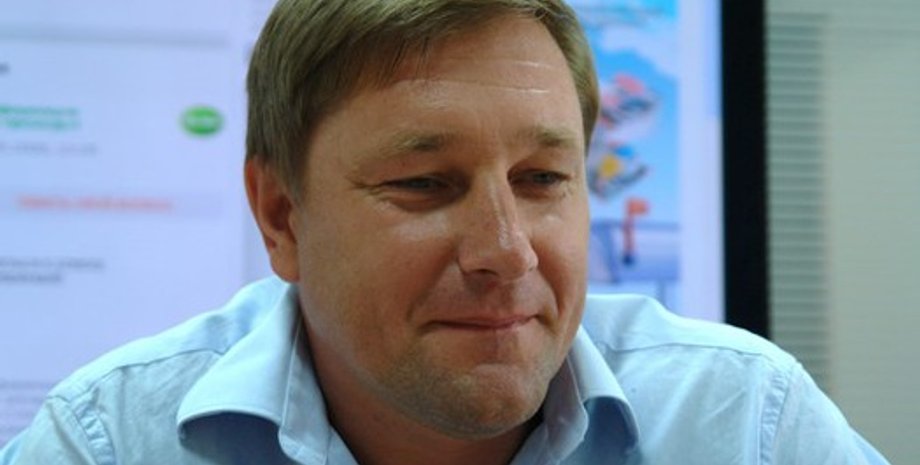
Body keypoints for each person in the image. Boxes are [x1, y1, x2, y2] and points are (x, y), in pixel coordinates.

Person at [0, 1, 891, 464]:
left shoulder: (742, 424)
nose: (507, 250)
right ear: (280, 216)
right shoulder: (112, 441)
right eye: (424, 184)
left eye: (542, 179)